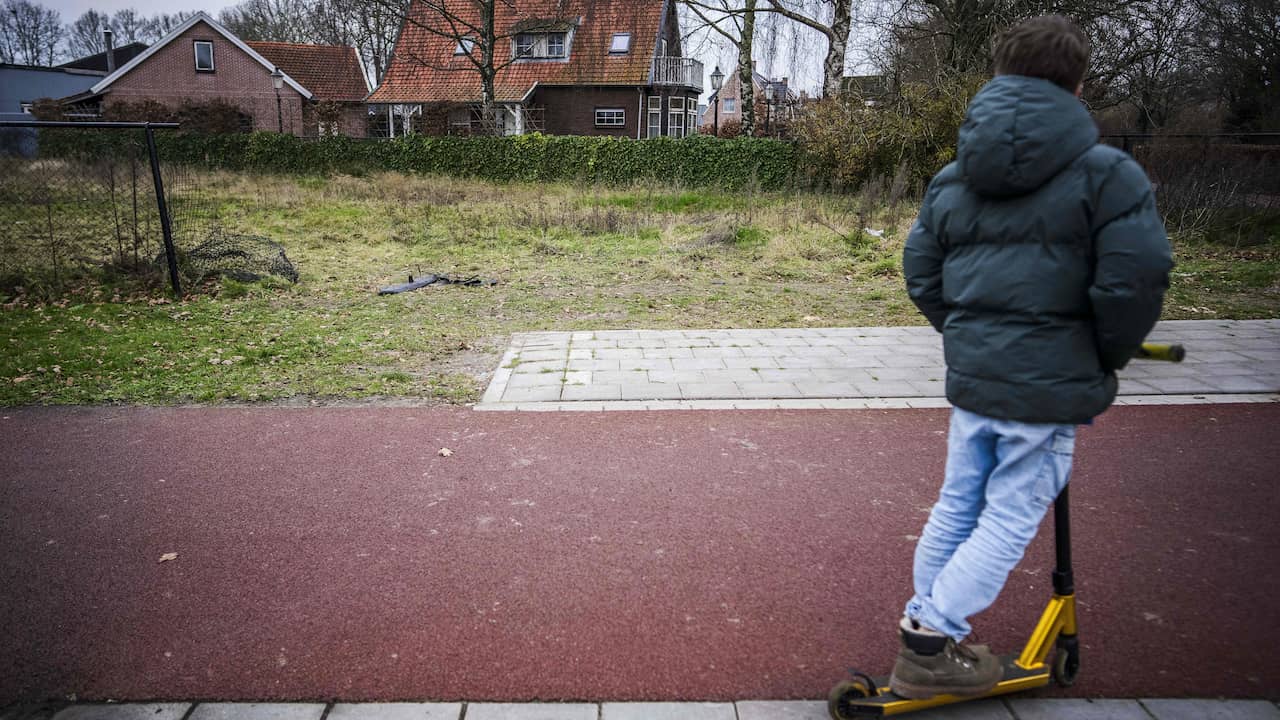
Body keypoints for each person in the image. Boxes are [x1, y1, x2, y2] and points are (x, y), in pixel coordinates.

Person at [891, 15, 1173, 699]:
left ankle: (933, 632)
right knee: (1011, 514)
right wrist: (1103, 354)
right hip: (1049, 383)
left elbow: (920, 267)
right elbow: (1137, 276)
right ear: (1078, 81)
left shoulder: (956, 175)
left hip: (978, 378)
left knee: (959, 502)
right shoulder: (1107, 174)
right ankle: (929, 639)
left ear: (1000, 72)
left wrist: (968, 334)